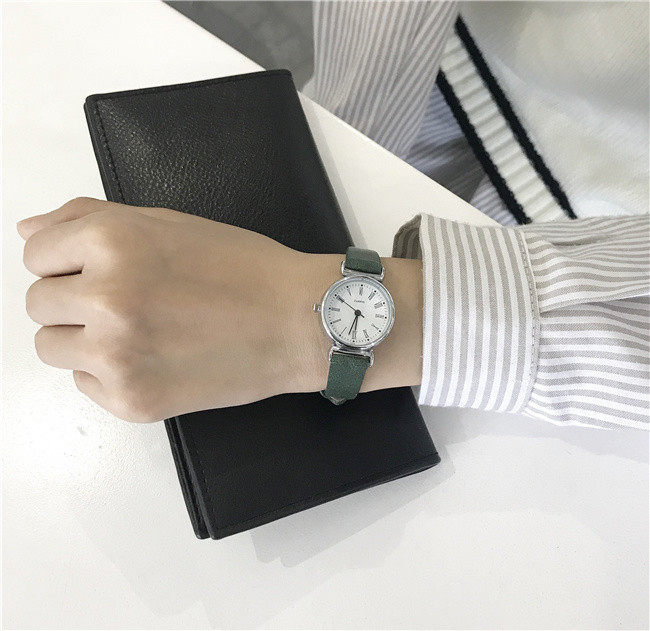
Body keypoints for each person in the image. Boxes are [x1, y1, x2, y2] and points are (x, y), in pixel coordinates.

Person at [17, 1, 648, 429]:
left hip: (597, 289)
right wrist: (342, 136)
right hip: (454, 55)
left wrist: (302, 321)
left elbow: (360, 318)